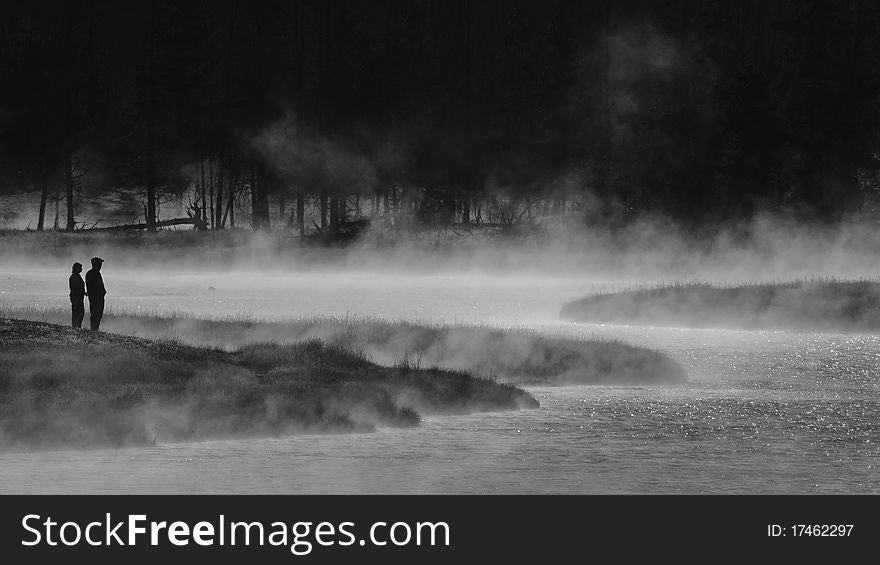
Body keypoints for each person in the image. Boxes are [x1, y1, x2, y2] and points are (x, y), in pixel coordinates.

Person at [85, 257, 106, 331]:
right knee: (95, 314)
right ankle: (94, 329)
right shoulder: (93, 273)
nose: (101, 265)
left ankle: (95, 329)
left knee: (97, 314)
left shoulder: (93, 273)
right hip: (96, 298)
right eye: (99, 264)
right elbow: (92, 287)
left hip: (97, 297)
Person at [68, 262, 86, 329]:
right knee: (78, 312)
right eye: (80, 268)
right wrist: (82, 292)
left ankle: (77, 326)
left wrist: (84, 293)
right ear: (76, 268)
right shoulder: (74, 277)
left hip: (78, 297)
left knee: (79, 313)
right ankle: (76, 326)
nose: (81, 269)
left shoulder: (76, 276)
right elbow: (76, 288)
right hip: (76, 297)